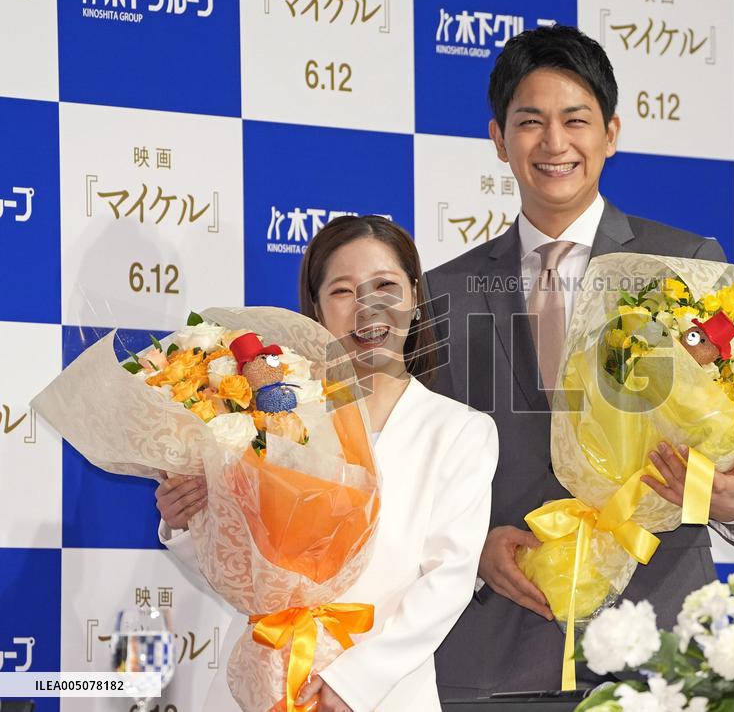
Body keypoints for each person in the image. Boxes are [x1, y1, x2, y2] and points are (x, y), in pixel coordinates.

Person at [423, 25, 734, 698]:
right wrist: (469, 551)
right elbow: (412, 467)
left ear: (611, 134)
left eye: (575, 120)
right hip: (497, 645)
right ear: (499, 139)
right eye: (530, 122)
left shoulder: (689, 266)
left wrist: (733, 501)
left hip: (659, 637)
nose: (554, 143)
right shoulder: (439, 293)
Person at [155, 216, 498, 712]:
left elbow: (448, 580)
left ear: (415, 296)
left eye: (386, 286)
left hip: (381, 693)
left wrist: (351, 683)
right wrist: (186, 521)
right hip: (263, 677)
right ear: (316, 309)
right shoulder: (268, 415)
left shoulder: (459, 431)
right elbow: (238, 569)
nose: (367, 307)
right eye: (342, 291)